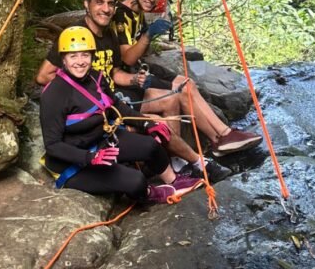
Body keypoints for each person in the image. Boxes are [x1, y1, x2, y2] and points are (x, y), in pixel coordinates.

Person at [114, 0, 261, 163]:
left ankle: (222, 135)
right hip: (126, 75)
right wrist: (149, 35)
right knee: (181, 89)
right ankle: (219, 138)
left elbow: (138, 50)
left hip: (136, 66)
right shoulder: (122, 14)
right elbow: (127, 58)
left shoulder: (137, 8)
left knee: (187, 83)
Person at [40, 25, 202, 204]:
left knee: (151, 145)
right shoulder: (54, 94)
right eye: (73, 56)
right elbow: (53, 145)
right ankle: (149, 193)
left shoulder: (95, 77)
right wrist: (89, 158)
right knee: (135, 181)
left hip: (101, 141)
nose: (80, 61)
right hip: (74, 163)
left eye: (85, 55)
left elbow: (115, 105)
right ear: (63, 59)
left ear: (92, 56)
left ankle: (173, 181)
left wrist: (147, 123)